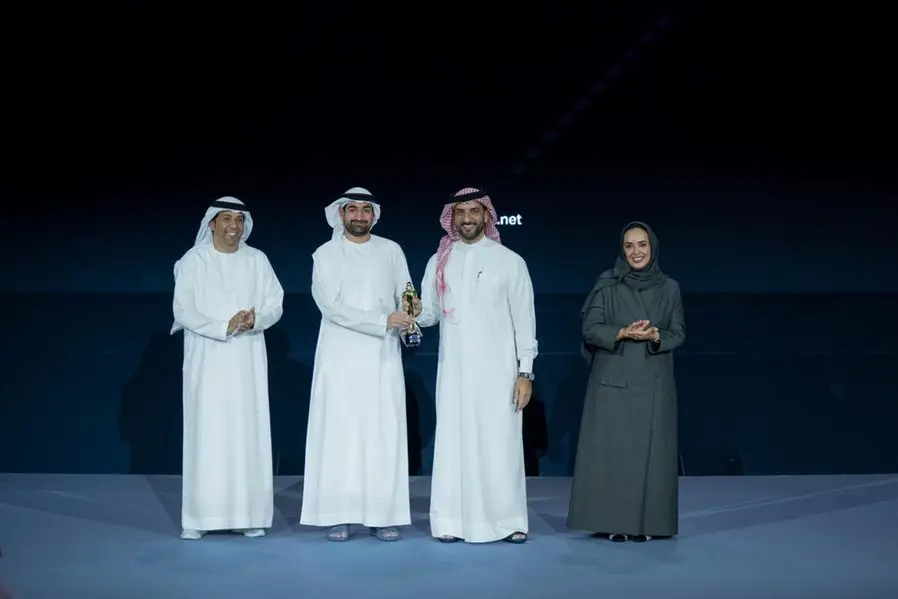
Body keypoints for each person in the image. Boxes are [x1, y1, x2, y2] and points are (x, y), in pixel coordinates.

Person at [412, 187, 538, 544]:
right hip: (454, 373)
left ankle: (508, 521)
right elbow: (429, 315)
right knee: (454, 445)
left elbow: (524, 321)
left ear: (487, 215)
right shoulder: (439, 261)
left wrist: (525, 372)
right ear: (452, 217)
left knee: (501, 444)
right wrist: (412, 312)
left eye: (474, 211)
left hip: (499, 374)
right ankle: (451, 521)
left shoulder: (510, 261)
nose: (467, 218)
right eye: (460, 212)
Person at [300, 187, 416, 542]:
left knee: (382, 433)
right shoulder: (325, 255)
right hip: (339, 358)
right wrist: (383, 320)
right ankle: (338, 513)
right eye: (353, 209)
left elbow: (406, 293)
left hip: (382, 358)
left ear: (374, 215)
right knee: (339, 434)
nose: (360, 216)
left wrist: (410, 312)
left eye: (366, 209)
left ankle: (383, 515)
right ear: (341, 214)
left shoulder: (391, 250)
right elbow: (331, 308)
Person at [170, 196, 284, 540]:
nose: (234, 226)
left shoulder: (257, 260)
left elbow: (275, 303)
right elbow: (183, 310)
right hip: (207, 360)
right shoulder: (193, 261)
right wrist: (224, 326)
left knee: (247, 433)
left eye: (239, 219)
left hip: (247, 359)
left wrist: (254, 320)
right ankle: (198, 518)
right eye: (226, 219)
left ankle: (248, 516)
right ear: (212, 224)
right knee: (207, 434)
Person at [568, 221, 686, 543]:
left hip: (654, 383)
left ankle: (647, 524)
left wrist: (656, 336)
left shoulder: (670, 288)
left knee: (651, 456)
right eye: (629, 246)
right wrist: (622, 332)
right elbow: (590, 329)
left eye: (642, 245)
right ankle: (614, 522)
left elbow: (678, 333)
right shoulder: (607, 285)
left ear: (652, 247)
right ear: (622, 250)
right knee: (614, 455)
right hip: (612, 383)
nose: (636, 252)